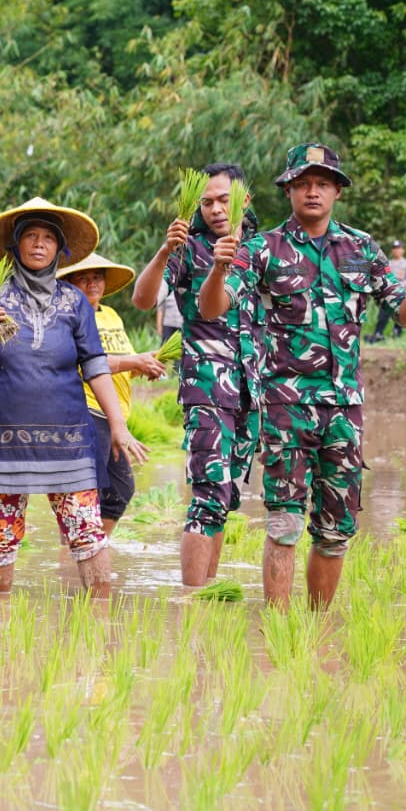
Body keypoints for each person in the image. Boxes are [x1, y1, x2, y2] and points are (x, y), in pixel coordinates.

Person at [198, 143, 406, 610]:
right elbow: (213, 307)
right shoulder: (261, 248)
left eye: (322, 184)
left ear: (336, 192)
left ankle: (317, 630)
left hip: (344, 410)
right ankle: (279, 633)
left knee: (335, 532)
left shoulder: (362, 248)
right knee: (284, 525)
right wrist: (219, 267)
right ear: (288, 190)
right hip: (285, 408)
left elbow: (404, 316)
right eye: (303, 183)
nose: (312, 192)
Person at [0, 198, 148, 596]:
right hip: (1, 439)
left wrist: (118, 426)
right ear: (14, 247)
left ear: (60, 250)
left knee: (87, 530)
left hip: (67, 439)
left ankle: (99, 626)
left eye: (48, 238)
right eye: (30, 236)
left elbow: (95, 364)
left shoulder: (74, 301)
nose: (39, 244)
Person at [131, 163, 263, 587]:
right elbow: (142, 298)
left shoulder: (265, 248)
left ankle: (207, 594)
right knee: (208, 495)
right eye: (206, 202)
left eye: (223, 199)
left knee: (227, 497)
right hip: (207, 385)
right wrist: (164, 252)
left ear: (244, 198)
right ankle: (191, 604)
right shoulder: (188, 248)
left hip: (253, 392)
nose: (215, 208)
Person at [59, 253, 167, 536]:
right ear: (70, 282)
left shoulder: (111, 315)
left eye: (97, 277)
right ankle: (76, 554)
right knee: (84, 493)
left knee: (119, 490)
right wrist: (134, 361)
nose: (92, 283)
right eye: (83, 277)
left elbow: (121, 362)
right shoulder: (67, 316)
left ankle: (94, 546)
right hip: (85, 410)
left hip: (114, 414)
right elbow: (81, 362)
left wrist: (145, 363)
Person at [368, 240, 406, 341]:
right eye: (394, 249)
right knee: (383, 314)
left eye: (398, 249)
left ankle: (397, 334)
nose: (396, 251)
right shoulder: (387, 262)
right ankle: (378, 333)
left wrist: (398, 286)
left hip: (401, 294)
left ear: (403, 250)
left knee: (400, 315)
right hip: (386, 293)